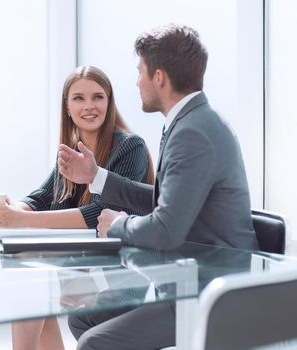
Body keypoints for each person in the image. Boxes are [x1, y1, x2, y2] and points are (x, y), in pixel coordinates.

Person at [58, 24, 259, 349]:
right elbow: (165, 201)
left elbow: (166, 230)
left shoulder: (193, 132)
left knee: (93, 343)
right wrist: (96, 176)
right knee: (83, 318)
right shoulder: (191, 121)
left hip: (206, 287)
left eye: (140, 72)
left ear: (160, 77)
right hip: (184, 275)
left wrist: (119, 225)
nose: (136, 82)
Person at [0, 65, 154, 350]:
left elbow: (101, 214)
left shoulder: (129, 146)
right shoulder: (72, 150)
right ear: (67, 107)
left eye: (98, 97)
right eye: (79, 98)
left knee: (33, 294)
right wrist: (11, 209)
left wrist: (19, 220)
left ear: (109, 103)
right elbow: (41, 197)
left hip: (123, 274)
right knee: (31, 295)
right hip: (83, 266)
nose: (89, 106)